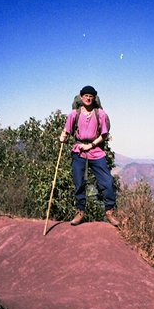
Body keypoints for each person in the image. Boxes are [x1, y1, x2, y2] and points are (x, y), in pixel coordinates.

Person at [60, 85, 119, 227]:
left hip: (96, 150)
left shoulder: (100, 114)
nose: (88, 98)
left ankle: (109, 212)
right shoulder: (74, 114)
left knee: (107, 181)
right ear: (81, 97)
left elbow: (104, 135)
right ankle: (80, 211)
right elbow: (66, 130)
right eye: (85, 95)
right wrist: (63, 135)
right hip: (79, 150)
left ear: (94, 98)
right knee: (78, 181)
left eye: (91, 96)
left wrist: (91, 145)